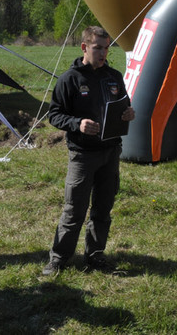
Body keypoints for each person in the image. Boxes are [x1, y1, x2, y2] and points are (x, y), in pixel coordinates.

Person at [43, 26, 135, 276]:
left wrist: (129, 113)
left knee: (103, 208)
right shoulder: (70, 79)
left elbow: (124, 104)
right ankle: (59, 259)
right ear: (84, 47)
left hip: (110, 151)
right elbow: (54, 114)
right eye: (98, 48)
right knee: (74, 209)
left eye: (106, 48)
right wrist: (78, 124)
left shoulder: (114, 77)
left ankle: (95, 256)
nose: (103, 53)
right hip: (82, 154)